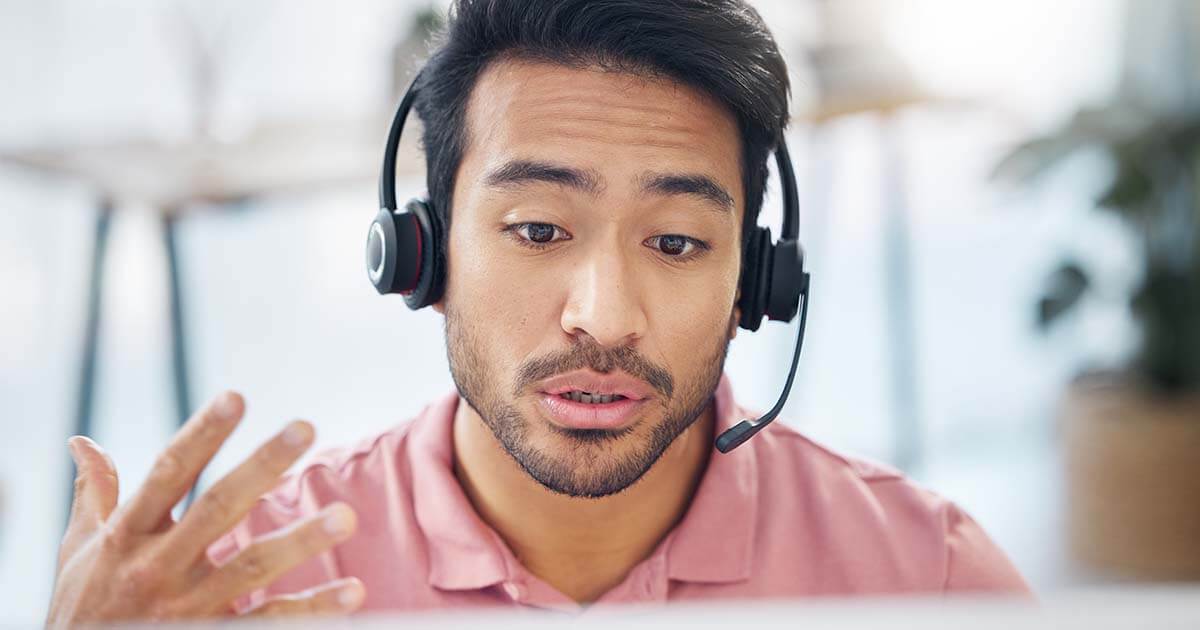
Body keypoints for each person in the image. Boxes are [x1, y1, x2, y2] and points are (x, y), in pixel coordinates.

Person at [45, 0, 1030, 624]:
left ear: (755, 284)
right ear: (421, 256)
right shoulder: (234, 593)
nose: (603, 320)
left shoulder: (925, 577)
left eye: (677, 242)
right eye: (536, 230)